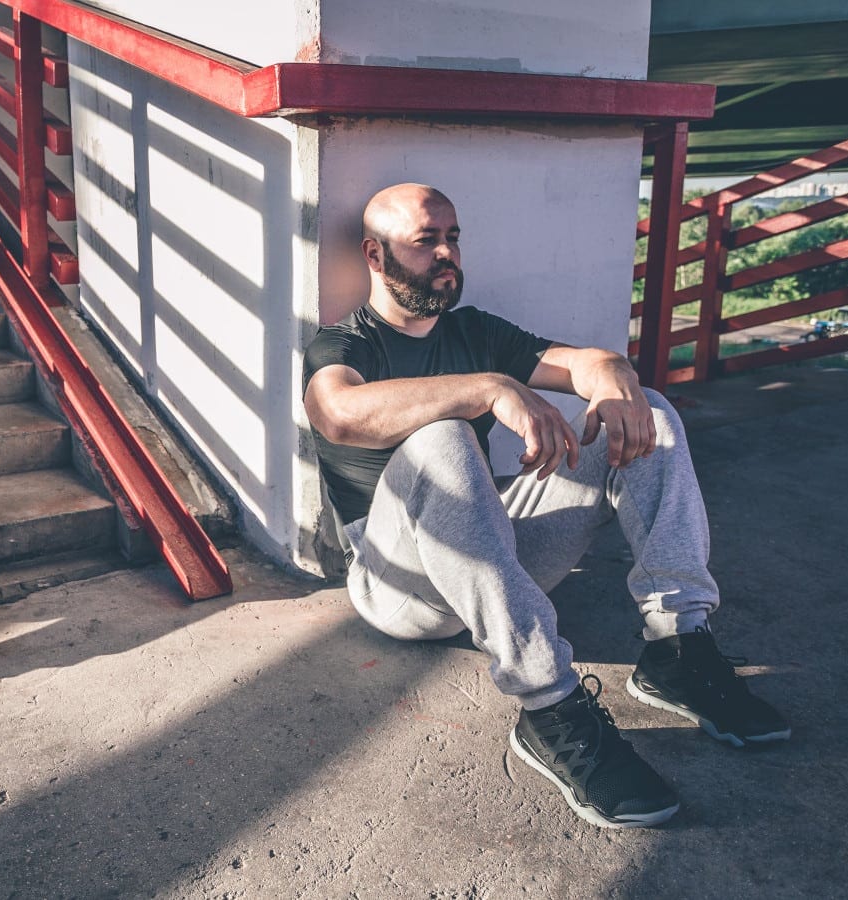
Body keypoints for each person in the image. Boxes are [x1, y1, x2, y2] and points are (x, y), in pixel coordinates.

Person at [303, 183, 789, 829]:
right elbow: (337, 413)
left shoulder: (475, 330)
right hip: (401, 589)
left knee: (653, 414)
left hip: (492, 553)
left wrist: (613, 375)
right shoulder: (346, 344)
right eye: (426, 242)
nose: (447, 254)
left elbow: (584, 363)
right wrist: (487, 388)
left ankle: (678, 648)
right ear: (375, 253)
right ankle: (549, 707)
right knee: (442, 436)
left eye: (453, 237)